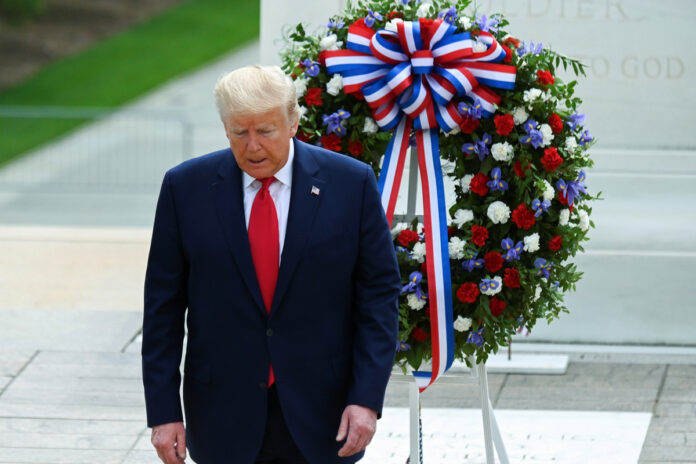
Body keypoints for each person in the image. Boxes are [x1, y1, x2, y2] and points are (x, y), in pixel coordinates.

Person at [142, 65, 401, 464]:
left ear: (294, 122)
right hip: (221, 415)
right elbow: (163, 309)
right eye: (238, 132)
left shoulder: (351, 185)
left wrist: (367, 399)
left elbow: (378, 300)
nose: (252, 146)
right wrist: (163, 412)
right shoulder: (184, 188)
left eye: (265, 131)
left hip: (325, 415)